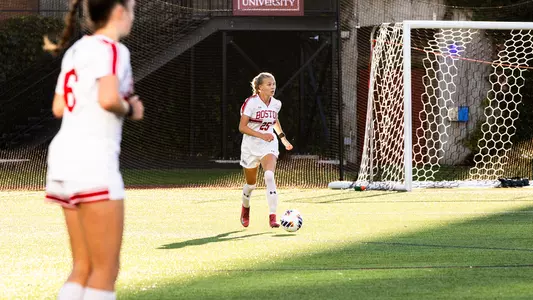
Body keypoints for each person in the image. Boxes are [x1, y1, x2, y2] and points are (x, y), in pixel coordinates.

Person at [43, 0, 143, 299]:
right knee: (105, 269)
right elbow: (108, 99)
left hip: (62, 159)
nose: (132, 17)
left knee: (83, 267)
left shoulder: (77, 49)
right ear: (118, 12)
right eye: (132, 9)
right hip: (93, 162)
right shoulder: (112, 49)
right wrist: (131, 108)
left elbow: (59, 107)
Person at [238, 72, 293, 228]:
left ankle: (273, 217)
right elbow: (242, 127)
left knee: (269, 175)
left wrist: (283, 138)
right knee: (251, 185)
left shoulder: (276, 103)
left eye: (274, 84)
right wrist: (261, 135)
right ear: (260, 87)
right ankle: (245, 207)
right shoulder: (250, 103)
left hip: (268, 144)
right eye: (269, 84)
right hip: (250, 146)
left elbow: (274, 120)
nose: (272, 87)